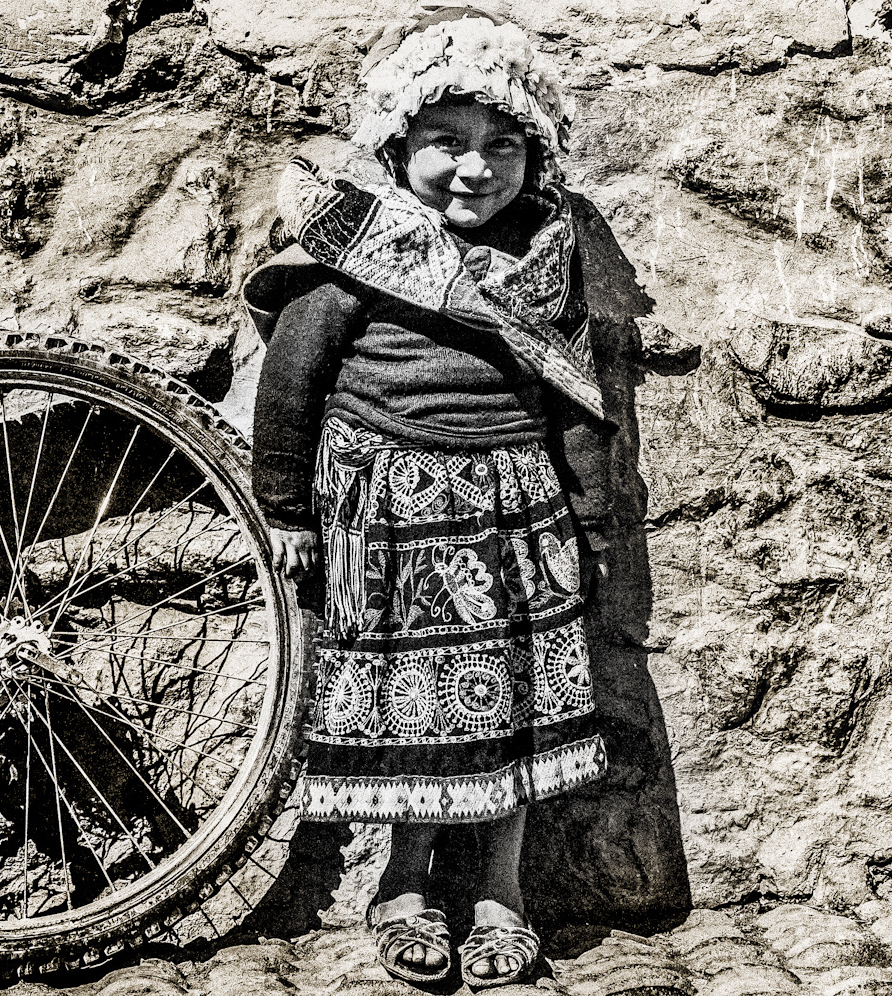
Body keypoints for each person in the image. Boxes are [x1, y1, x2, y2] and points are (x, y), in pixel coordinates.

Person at [246, 5, 616, 987]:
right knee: (413, 711)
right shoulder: (360, 251)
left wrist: (589, 521)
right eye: (446, 142)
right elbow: (291, 381)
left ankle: (503, 887)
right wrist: (283, 510)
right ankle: (402, 880)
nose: (473, 169)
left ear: (535, 159)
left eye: (503, 147)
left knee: (517, 708)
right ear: (399, 142)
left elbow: (576, 396)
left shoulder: (545, 255)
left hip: (515, 510)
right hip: (394, 511)